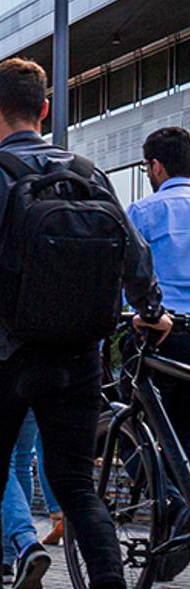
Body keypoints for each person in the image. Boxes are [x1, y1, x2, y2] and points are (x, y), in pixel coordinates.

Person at [0, 56, 172, 589]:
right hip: (78, 354)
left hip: (0, 354)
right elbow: (134, 253)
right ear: (44, 109)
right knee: (75, 483)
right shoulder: (91, 174)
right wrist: (150, 307)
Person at [129, 125, 190, 448]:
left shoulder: (142, 212)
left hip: (159, 332)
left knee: (125, 418)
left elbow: (124, 275)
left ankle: (166, 495)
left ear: (156, 166)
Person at [1, 412, 60, 589]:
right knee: (22, 461)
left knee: (1, 460)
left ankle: (24, 544)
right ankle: (10, 558)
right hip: (39, 389)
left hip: (2, 387)